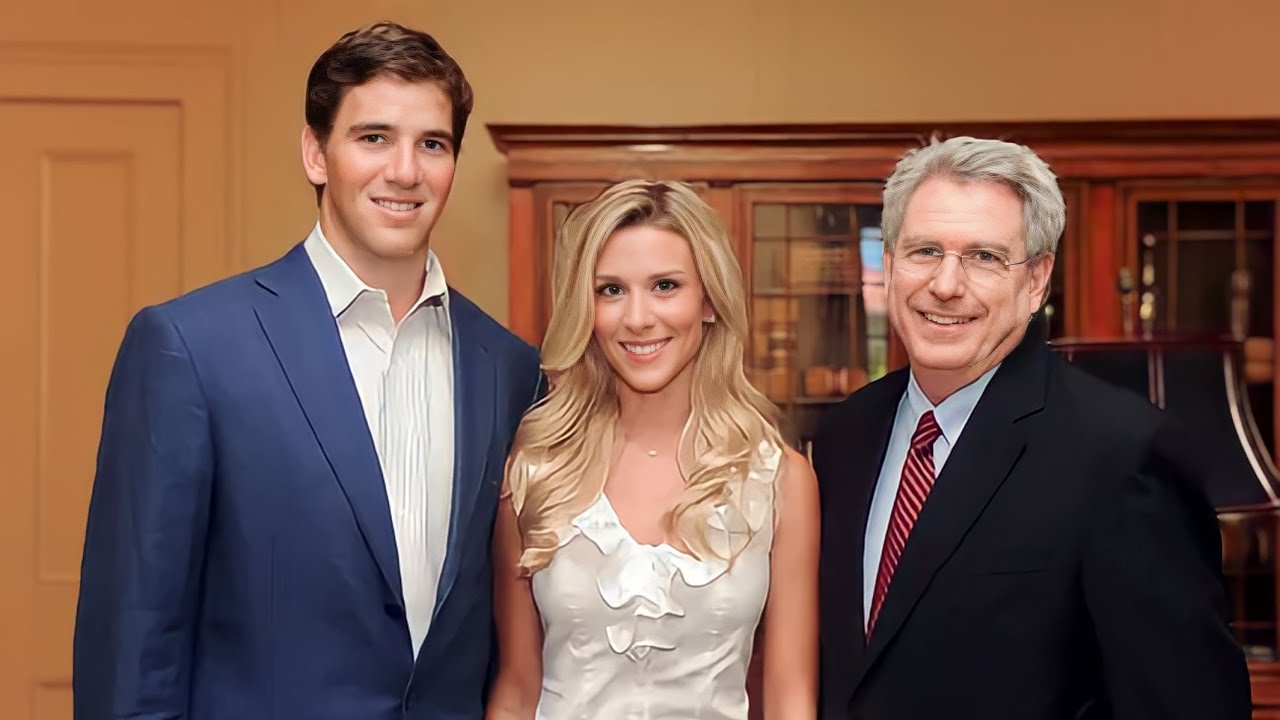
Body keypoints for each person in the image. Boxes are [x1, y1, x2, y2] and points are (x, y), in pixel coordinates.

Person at [72, 22, 541, 719]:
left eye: (432, 144)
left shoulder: (510, 369)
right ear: (316, 154)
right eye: (373, 137)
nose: (405, 171)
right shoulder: (190, 348)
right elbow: (133, 646)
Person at [813, 136, 1251, 719]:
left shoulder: (1122, 454)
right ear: (890, 265)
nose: (946, 284)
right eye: (925, 251)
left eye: (984, 257)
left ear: (1037, 280)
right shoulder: (845, 435)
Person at [485, 180, 819, 719]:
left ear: (708, 301)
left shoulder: (780, 479)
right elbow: (518, 690)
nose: (638, 318)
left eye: (665, 286)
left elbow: (790, 697)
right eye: (611, 290)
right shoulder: (535, 472)